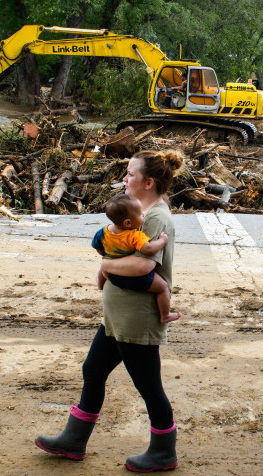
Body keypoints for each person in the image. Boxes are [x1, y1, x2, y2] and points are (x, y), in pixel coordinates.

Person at [36, 150, 184, 472]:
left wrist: (105, 264)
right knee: (93, 370)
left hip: (136, 320)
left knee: (148, 386)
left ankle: (163, 451)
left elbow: (144, 264)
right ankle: (73, 440)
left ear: (148, 182)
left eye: (130, 174)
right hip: (117, 318)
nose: (124, 179)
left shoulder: (156, 218)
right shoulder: (134, 213)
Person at [92, 193, 180, 324]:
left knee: (103, 265)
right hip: (132, 276)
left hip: (112, 275)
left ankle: (100, 284)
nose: (143, 215)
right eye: (140, 214)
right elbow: (148, 249)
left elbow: (97, 247)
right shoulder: (134, 236)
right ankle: (165, 315)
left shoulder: (103, 232)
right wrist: (162, 241)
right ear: (128, 223)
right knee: (163, 287)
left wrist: (107, 256)